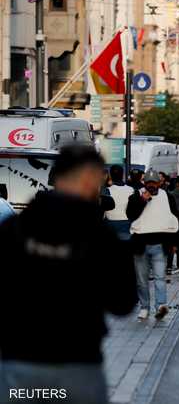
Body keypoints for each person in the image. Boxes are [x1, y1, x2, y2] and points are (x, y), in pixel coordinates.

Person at [0, 145, 137, 404]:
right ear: (88, 179)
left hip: (19, 362)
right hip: (78, 365)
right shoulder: (100, 237)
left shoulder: (13, 229)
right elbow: (122, 303)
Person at [127, 169, 179, 320]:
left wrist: (174, 242)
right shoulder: (137, 195)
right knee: (142, 280)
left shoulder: (167, 197)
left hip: (160, 244)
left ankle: (161, 305)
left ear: (159, 183)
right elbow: (130, 214)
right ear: (144, 183)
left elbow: (174, 218)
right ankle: (144, 307)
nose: (151, 186)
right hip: (140, 245)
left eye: (154, 183)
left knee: (160, 277)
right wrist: (142, 200)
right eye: (148, 183)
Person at [105, 165, 134, 241]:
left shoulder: (106, 190)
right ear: (123, 175)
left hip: (110, 225)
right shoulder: (131, 190)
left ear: (110, 175)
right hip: (127, 225)